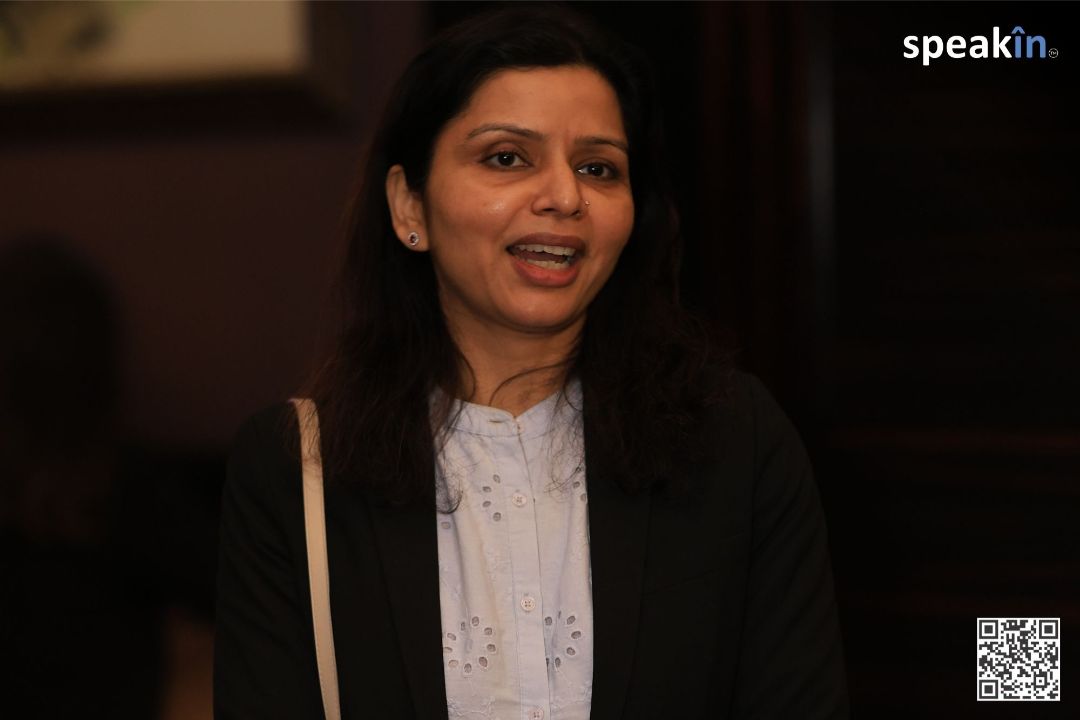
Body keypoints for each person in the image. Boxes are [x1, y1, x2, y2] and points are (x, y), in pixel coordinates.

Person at [213, 5, 849, 719]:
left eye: (598, 168)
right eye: (507, 157)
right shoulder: (296, 470)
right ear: (410, 206)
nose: (565, 197)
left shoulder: (738, 443)